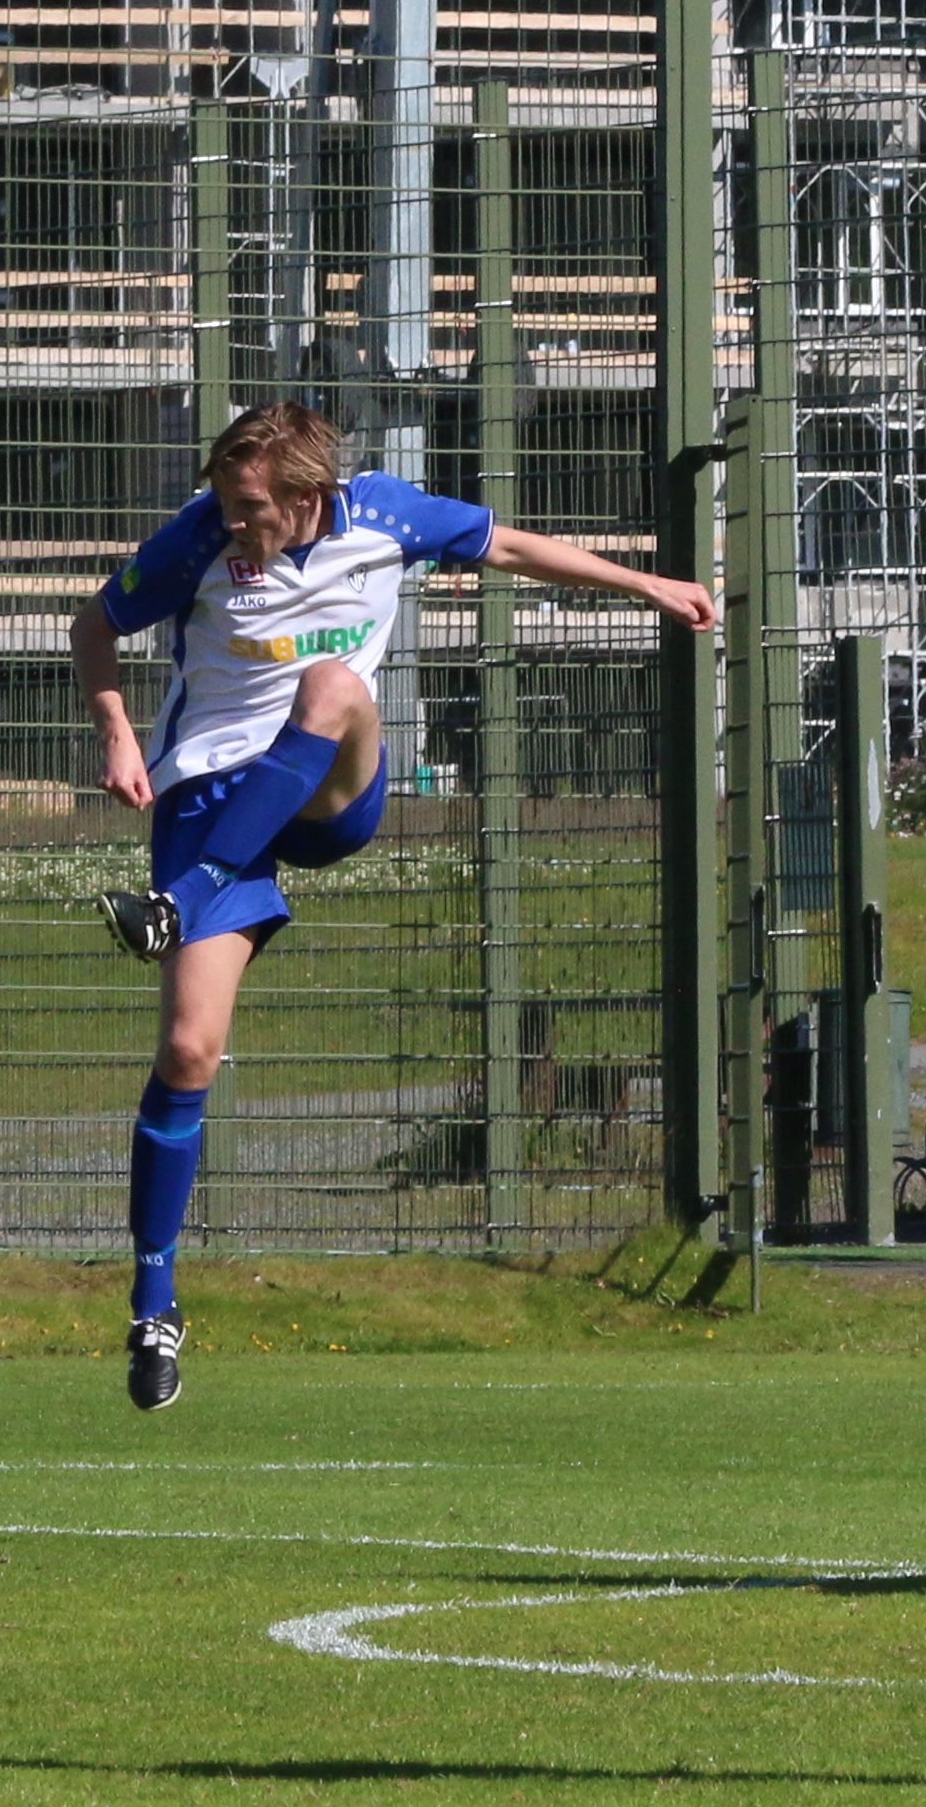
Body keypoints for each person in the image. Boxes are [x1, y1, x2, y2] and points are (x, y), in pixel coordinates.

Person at [77, 402, 715, 1410]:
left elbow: (510, 544)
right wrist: (117, 731)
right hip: (209, 793)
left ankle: (184, 898)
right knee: (189, 1051)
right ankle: (154, 1306)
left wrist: (648, 584)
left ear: (307, 495)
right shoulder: (198, 539)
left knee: (333, 684)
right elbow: (96, 625)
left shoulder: (385, 515)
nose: (233, 520)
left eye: (250, 506)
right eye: (227, 502)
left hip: (329, 789)